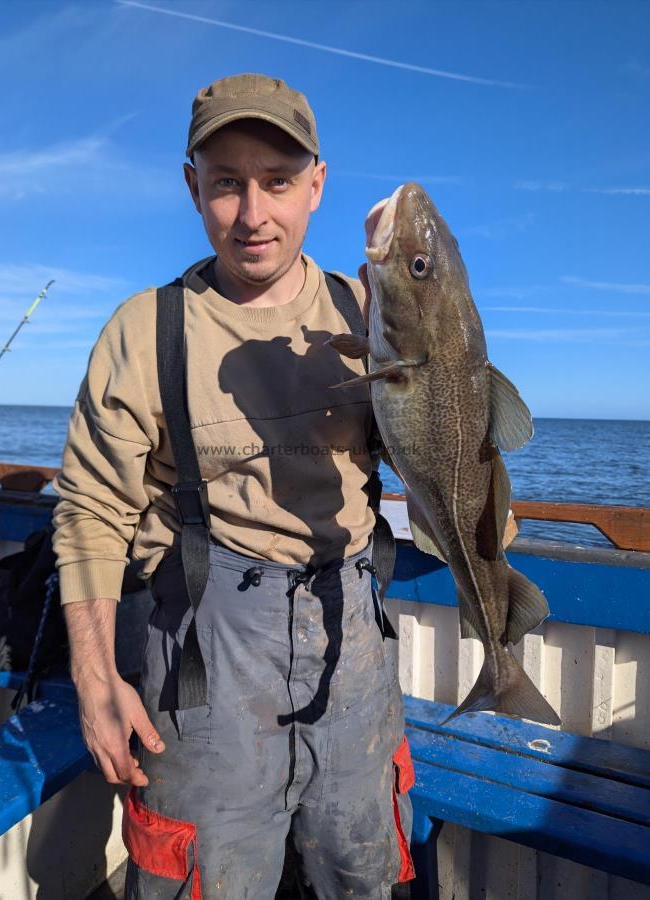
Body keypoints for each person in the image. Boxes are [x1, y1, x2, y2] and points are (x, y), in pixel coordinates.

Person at [52, 72, 415, 900]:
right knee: (203, 877)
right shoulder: (146, 328)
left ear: (316, 185)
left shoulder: (369, 313)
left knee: (361, 870)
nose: (252, 215)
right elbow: (92, 512)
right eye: (226, 184)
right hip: (204, 654)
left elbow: (443, 454)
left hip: (352, 639)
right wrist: (95, 678)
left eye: (278, 183)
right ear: (193, 186)